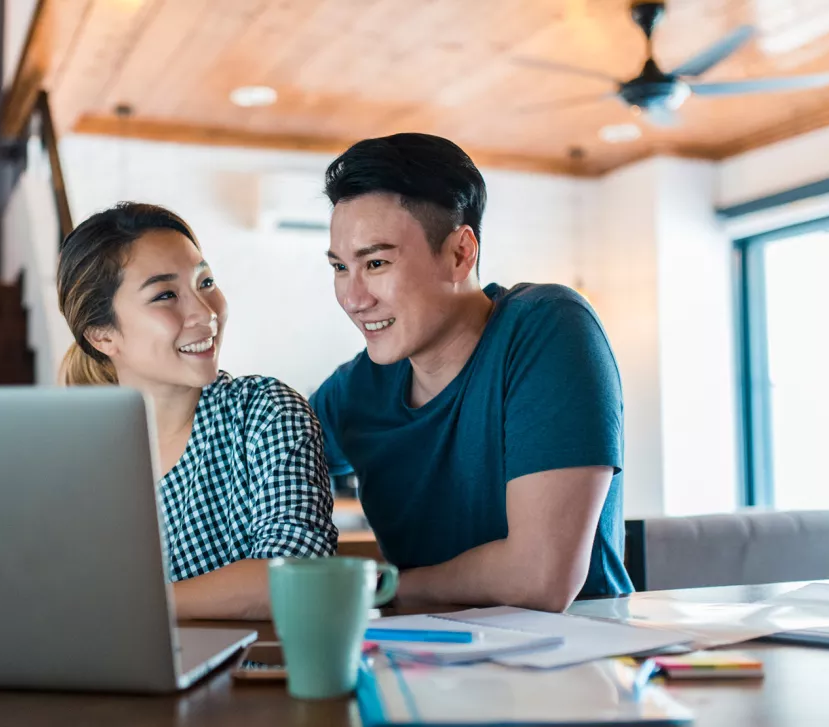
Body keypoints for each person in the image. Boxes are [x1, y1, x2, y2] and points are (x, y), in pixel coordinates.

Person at [310, 133, 633, 612]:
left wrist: (381, 588)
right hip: (419, 665)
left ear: (460, 253)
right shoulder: (353, 391)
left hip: (571, 666)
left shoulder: (548, 328)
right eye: (340, 267)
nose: (354, 299)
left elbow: (540, 579)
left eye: (375, 263)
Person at [57, 202, 338, 620]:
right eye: (166, 294)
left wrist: (135, 607)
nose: (205, 313)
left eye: (205, 282)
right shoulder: (78, 460)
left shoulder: (264, 413)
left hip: (255, 681)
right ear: (102, 336)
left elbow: (299, 575)